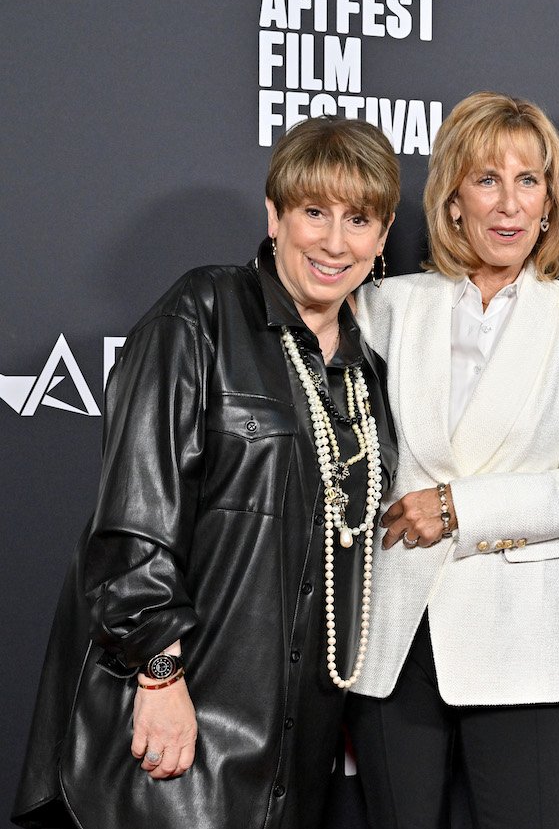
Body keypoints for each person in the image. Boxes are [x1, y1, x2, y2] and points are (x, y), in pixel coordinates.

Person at [12, 116, 401, 828]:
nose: (334, 242)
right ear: (275, 215)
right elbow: (135, 517)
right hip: (175, 720)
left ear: (382, 237)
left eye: (358, 219)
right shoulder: (202, 314)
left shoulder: (364, 376)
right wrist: (160, 675)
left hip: (293, 751)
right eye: (314, 212)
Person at [343, 91, 559, 829]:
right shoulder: (386, 307)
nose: (508, 204)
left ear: (549, 201)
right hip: (395, 620)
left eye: (528, 180)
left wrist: (460, 508)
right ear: (452, 200)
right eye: (486, 179)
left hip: (521, 630)